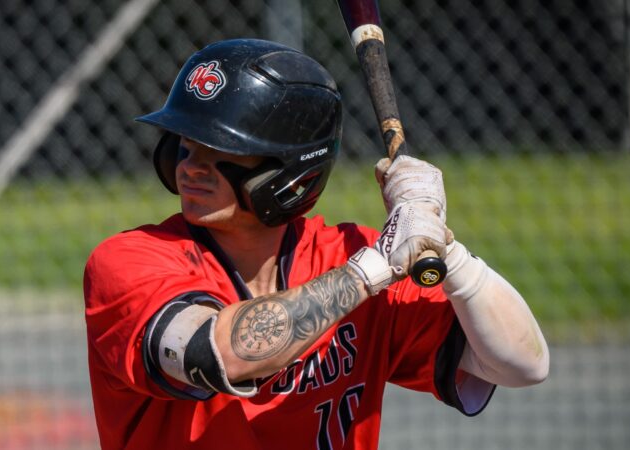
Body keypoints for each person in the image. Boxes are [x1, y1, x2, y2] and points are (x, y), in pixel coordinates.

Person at [83, 38, 548, 450]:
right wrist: (370, 271)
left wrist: (446, 248)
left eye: (221, 149)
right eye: (185, 144)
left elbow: (522, 365)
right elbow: (214, 354)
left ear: (291, 172)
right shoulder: (128, 261)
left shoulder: (348, 252)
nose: (190, 166)